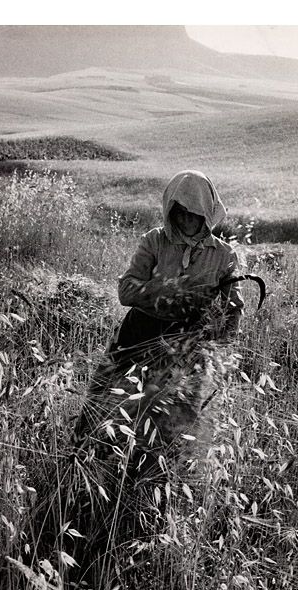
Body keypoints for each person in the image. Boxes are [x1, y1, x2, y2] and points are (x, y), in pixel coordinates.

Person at [72, 170, 243, 447]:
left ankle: (159, 467)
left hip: (186, 344)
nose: (185, 219)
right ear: (169, 211)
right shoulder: (154, 241)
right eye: (179, 212)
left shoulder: (223, 255)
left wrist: (218, 337)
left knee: (175, 420)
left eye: (193, 212)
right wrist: (167, 289)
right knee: (103, 402)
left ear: (207, 212)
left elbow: (233, 307)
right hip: (139, 332)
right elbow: (126, 291)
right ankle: (84, 455)